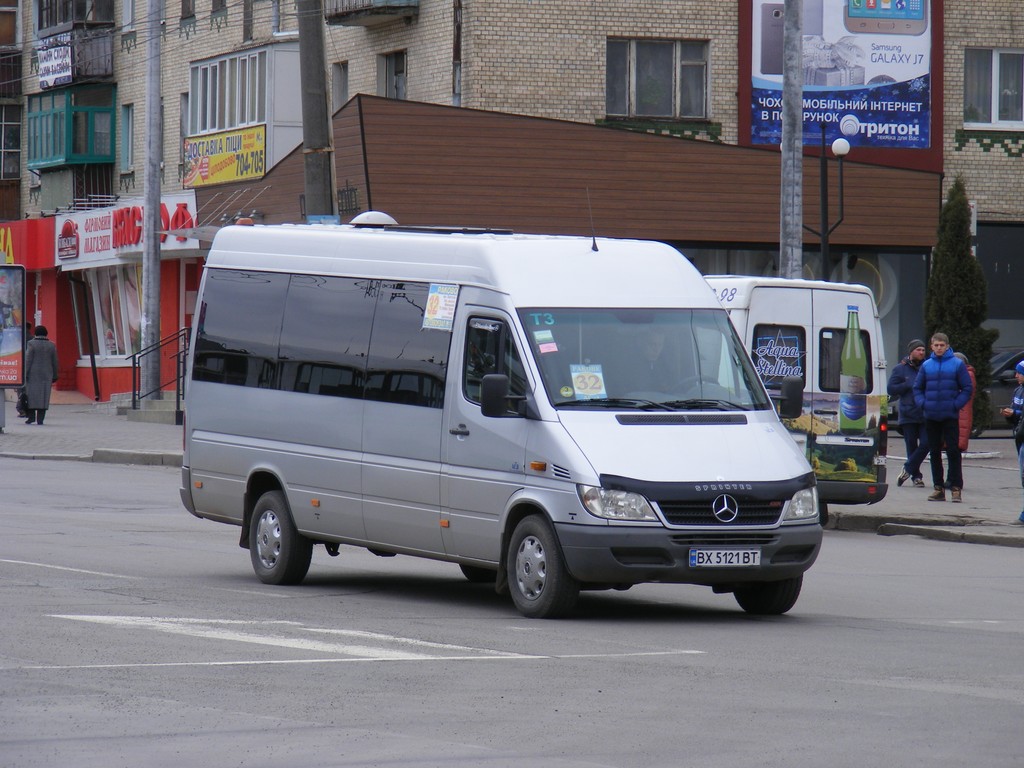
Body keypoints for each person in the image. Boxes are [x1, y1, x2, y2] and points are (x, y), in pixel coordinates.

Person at [913, 332, 973, 503]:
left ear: (947, 346)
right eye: (936, 345)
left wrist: (955, 405)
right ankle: (938, 488)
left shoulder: (956, 364)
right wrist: (923, 403)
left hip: (949, 415)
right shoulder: (927, 365)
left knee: (953, 451)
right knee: (934, 452)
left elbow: (967, 388)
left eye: (942, 345)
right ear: (931, 346)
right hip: (931, 415)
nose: (939, 348)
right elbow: (917, 388)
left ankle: (956, 488)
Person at [887, 339, 929, 487]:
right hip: (908, 413)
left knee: (926, 443)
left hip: (925, 412)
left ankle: (908, 468)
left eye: (923, 350)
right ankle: (916, 477)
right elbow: (891, 389)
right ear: (911, 351)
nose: (922, 352)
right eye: (918, 350)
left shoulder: (927, 367)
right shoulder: (900, 369)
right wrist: (908, 385)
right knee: (911, 445)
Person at [1001, 360, 1024, 524]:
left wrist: (1015, 413)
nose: (1016, 376)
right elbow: (1016, 414)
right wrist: (1010, 414)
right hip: (1019, 436)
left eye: (1019, 373)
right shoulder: (1018, 390)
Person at [24, 325, 59, 426]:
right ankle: (40, 419)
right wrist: (55, 374)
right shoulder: (51, 345)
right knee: (44, 396)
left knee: (31, 396)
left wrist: (25, 373)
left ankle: (31, 418)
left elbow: (28, 359)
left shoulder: (31, 344)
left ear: (35, 333)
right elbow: (55, 361)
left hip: (32, 374)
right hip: (47, 374)